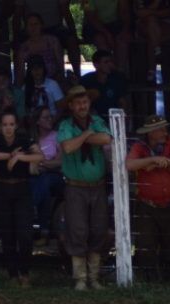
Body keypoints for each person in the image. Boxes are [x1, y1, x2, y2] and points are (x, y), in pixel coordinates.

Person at [57, 85, 112, 291]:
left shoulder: (97, 121)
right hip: (75, 187)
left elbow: (106, 138)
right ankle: (80, 278)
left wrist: (81, 137)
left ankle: (94, 277)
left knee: (99, 228)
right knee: (77, 229)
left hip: (97, 186)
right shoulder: (65, 125)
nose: (83, 106)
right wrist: (88, 135)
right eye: (78, 102)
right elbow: (67, 147)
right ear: (71, 105)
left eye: (85, 102)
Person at [0, 110, 42, 287]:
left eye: (11, 124)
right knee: (7, 234)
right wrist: (10, 156)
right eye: (5, 124)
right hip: (1, 188)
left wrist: (20, 157)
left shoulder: (24, 139)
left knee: (25, 233)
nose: (8, 128)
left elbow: (40, 156)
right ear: (1, 126)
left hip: (22, 188)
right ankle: (12, 274)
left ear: (16, 125)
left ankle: (25, 272)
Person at [127, 114, 170, 282]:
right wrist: (151, 160)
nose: (165, 132)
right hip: (147, 204)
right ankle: (148, 278)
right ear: (150, 133)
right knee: (146, 243)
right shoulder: (139, 146)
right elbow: (129, 164)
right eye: (160, 129)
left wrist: (160, 162)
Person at [29, 105, 62, 252]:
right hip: (35, 175)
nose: (50, 119)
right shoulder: (31, 139)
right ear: (37, 121)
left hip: (55, 176)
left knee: (44, 182)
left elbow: (61, 161)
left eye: (50, 116)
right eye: (46, 117)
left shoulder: (58, 136)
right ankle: (44, 231)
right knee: (43, 189)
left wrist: (41, 163)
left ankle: (30, 222)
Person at [80, 49, 131, 119]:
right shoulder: (86, 80)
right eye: (106, 62)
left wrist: (121, 117)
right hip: (93, 120)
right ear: (96, 65)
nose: (110, 65)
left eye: (111, 62)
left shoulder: (117, 79)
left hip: (114, 118)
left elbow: (123, 102)